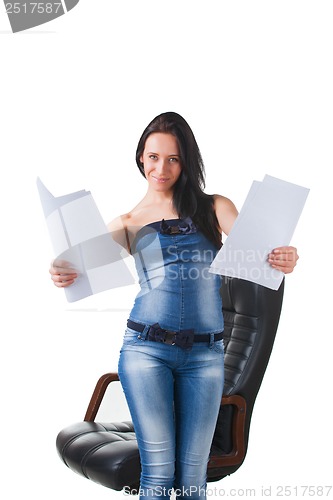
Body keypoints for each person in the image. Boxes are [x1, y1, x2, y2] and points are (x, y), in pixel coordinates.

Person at [49, 112, 299, 500]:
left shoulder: (215, 207)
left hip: (206, 356)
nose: (160, 168)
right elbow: (77, 265)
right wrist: (62, 269)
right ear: (140, 159)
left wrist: (284, 257)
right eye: (152, 157)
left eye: (172, 159)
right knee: (159, 471)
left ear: (186, 162)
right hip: (146, 352)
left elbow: (263, 250)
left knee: (193, 477)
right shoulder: (128, 222)